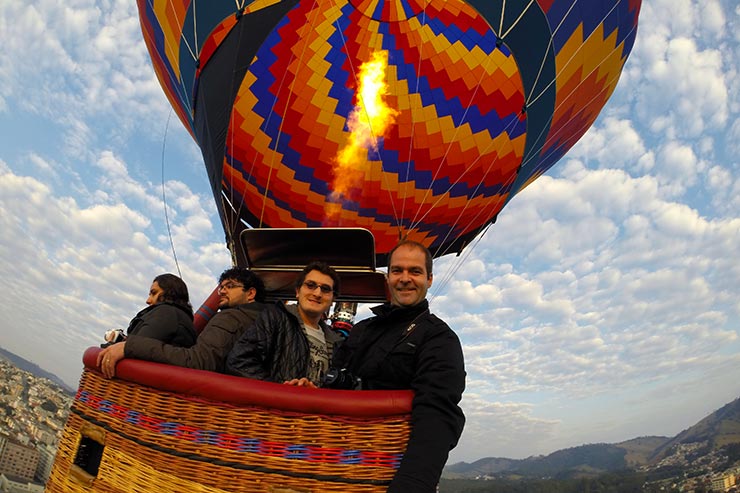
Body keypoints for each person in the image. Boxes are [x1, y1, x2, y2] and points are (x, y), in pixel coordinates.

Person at [329, 240, 466, 492]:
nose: (405, 278)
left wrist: (413, 483)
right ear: (388, 277)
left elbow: (438, 413)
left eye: (415, 271)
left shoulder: (439, 338)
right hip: (334, 462)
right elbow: (331, 383)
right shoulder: (361, 330)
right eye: (397, 270)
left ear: (430, 279)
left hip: (387, 470)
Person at [97, 267, 266, 377]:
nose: (221, 291)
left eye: (229, 286)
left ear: (250, 293)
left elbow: (199, 362)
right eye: (221, 287)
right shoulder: (263, 322)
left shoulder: (232, 318)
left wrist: (129, 346)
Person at [226, 261, 344, 387]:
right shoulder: (274, 318)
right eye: (310, 285)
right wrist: (281, 390)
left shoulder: (336, 342)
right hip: (277, 405)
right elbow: (239, 361)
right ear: (298, 292)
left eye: (325, 289)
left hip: (317, 405)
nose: (317, 293)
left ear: (332, 300)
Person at [104, 273, 196, 347]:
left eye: (154, 293)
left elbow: (134, 351)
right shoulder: (178, 317)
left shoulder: (167, 314)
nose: (148, 301)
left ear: (170, 293)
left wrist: (111, 344)